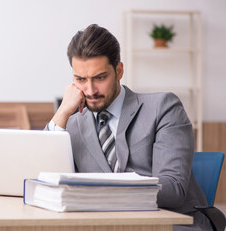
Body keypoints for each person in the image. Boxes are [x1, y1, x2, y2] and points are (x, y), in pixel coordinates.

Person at [46, 24, 212, 231]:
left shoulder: (163, 107)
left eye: (100, 78)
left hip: (174, 223)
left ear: (119, 71)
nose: (90, 90)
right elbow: (43, 182)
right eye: (80, 79)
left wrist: (98, 193)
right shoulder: (71, 123)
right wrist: (61, 113)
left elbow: (173, 189)